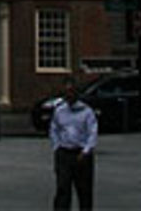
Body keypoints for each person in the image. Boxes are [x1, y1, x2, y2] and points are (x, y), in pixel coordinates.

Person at [49, 79, 98, 210]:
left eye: (71, 91)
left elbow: (92, 133)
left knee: (84, 191)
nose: (69, 95)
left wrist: (86, 150)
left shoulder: (87, 112)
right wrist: (56, 147)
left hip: (81, 154)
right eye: (66, 91)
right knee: (63, 188)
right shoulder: (60, 111)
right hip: (64, 153)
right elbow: (54, 129)